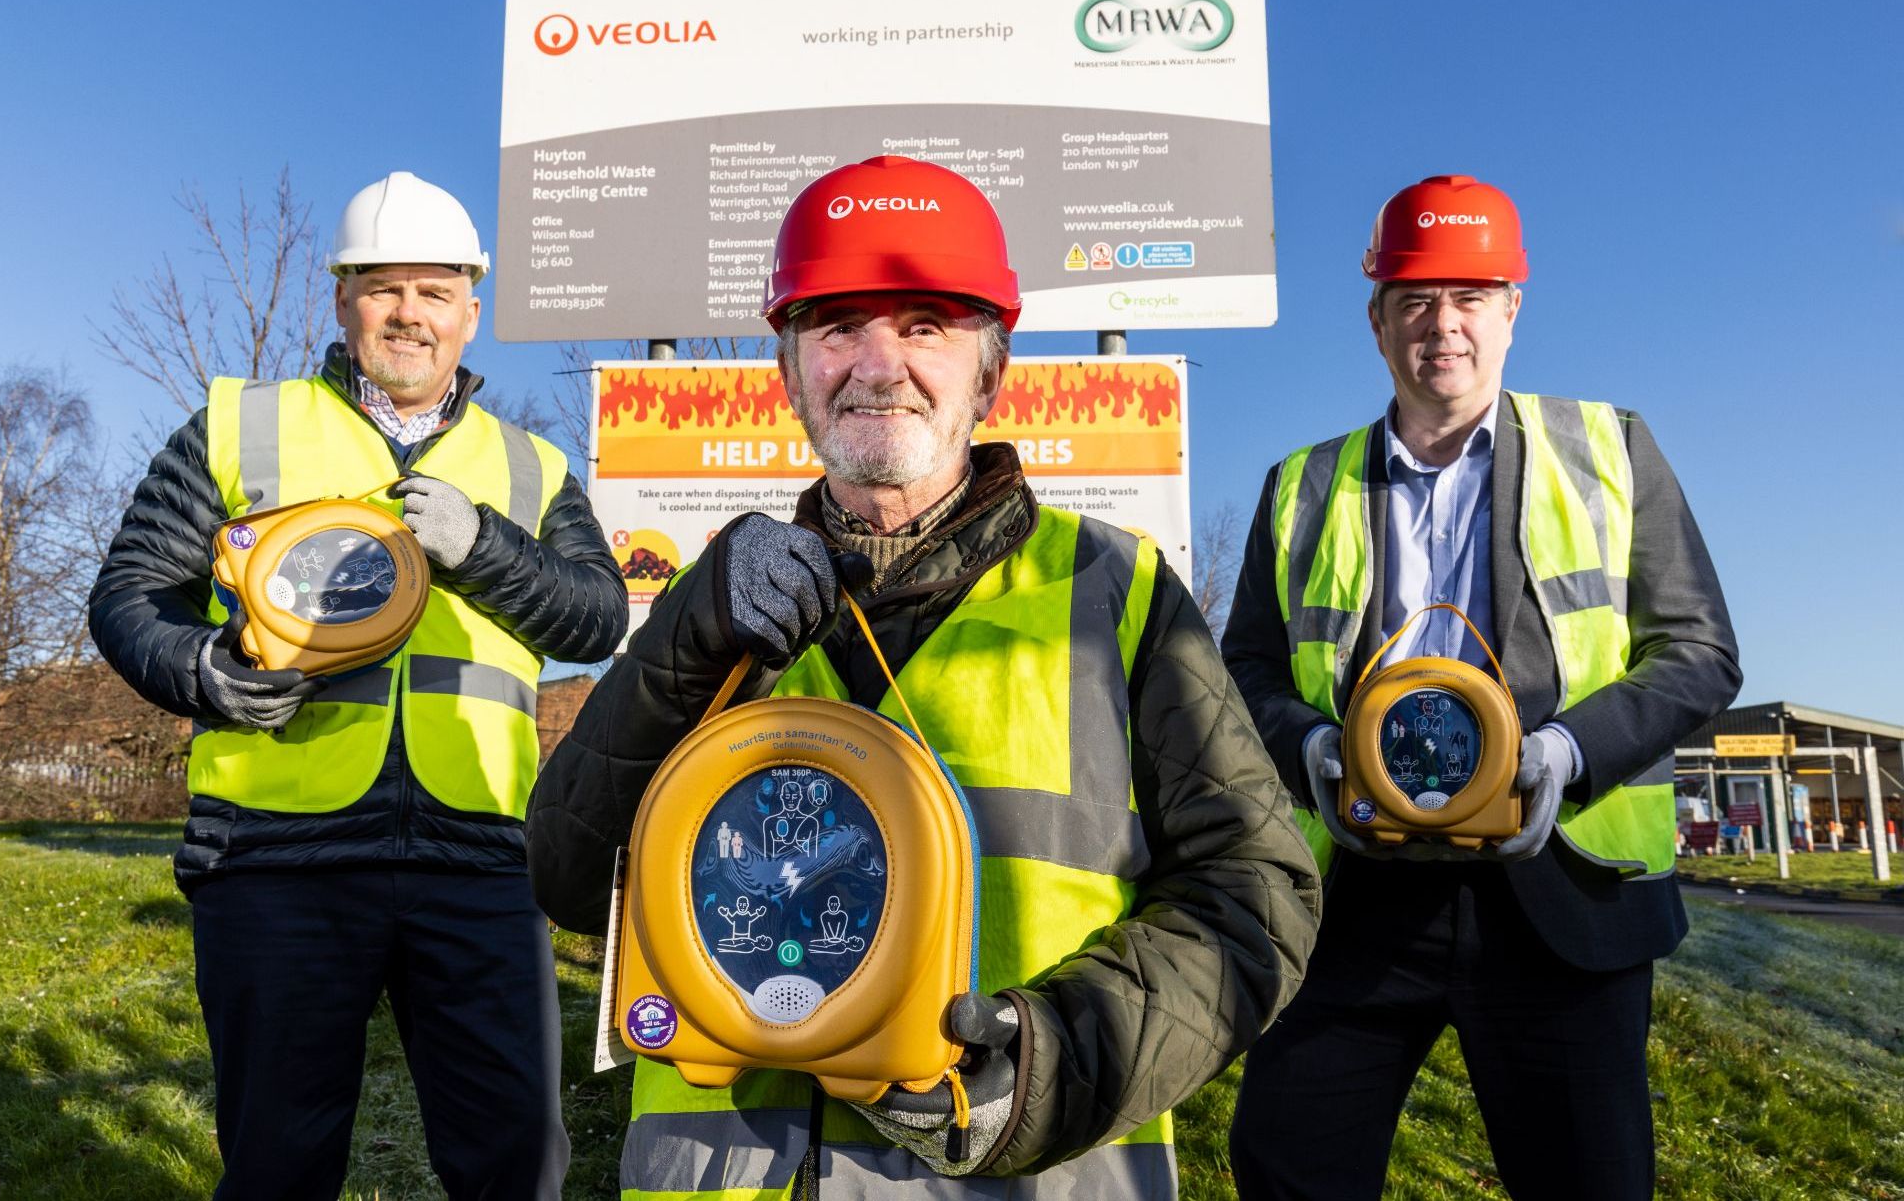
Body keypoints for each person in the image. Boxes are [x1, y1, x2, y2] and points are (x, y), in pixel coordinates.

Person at [527, 155, 1320, 1199]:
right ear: (788, 366)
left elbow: (1256, 896)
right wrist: (683, 642)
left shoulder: (1117, 595)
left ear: (989, 373)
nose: (875, 362)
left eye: (923, 325)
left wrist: (1047, 1068)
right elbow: (571, 877)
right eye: (837, 324)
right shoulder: (710, 608)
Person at [89, 171, 627, 1200]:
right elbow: (127, 593)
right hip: (273, 855)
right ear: (341, 300)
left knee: (514, 1162)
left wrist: (484, 547)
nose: (409, 314)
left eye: (434, 292)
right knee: (277, 1164)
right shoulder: (240, 426)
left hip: (480, 861)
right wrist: (206, 671)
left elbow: (597, 619)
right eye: (383, 288)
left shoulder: (532, 466)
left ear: (472, 310)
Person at [1221, 174, 1741, 1200]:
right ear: (1376, 322)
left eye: (1467, 295)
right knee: (1283, 1159)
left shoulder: (1609, 449)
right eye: (1413, 298)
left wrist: (1560, 753)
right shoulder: (1302, 484)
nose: (1441, 324)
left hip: (1559, 891)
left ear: (1511, 308)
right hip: (1356, 898)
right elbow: (1242, 668)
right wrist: (1313, 750)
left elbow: (1698, 650)